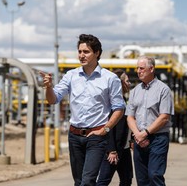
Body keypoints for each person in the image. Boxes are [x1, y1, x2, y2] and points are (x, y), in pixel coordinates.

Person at [40, 34, 125, 186]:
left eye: (86, 52)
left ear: (97, 53)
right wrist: (48, 87)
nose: (81, 55)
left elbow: (119, 108)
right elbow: (53, 99)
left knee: (87, 181)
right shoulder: (71, 76)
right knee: (79, 182)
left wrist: (105, 129)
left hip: (96, 136)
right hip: (74, 136)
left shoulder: (110, 78)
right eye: (79, 51)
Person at [126, 55, 174, 186]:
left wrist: (145, 133)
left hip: (157, 139)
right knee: (142, 180)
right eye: (137, 68)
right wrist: (137, 134)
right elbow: (130, 116)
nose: (138, 71)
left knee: (154, 175)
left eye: (141, 68)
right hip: (138, 139)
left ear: (151, 68)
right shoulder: (135, 91)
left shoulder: (163, 90)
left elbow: (164, 117)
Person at [96, 69, 133, 186]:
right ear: (119, 83)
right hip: (113, 149)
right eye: (127, 81)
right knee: (104, 180)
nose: (129, 83)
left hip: (124, 147)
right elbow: (108, 127)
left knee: (127, 180)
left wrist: (131, 139)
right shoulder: (112, 102)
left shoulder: (123, 100)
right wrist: (111, 150)